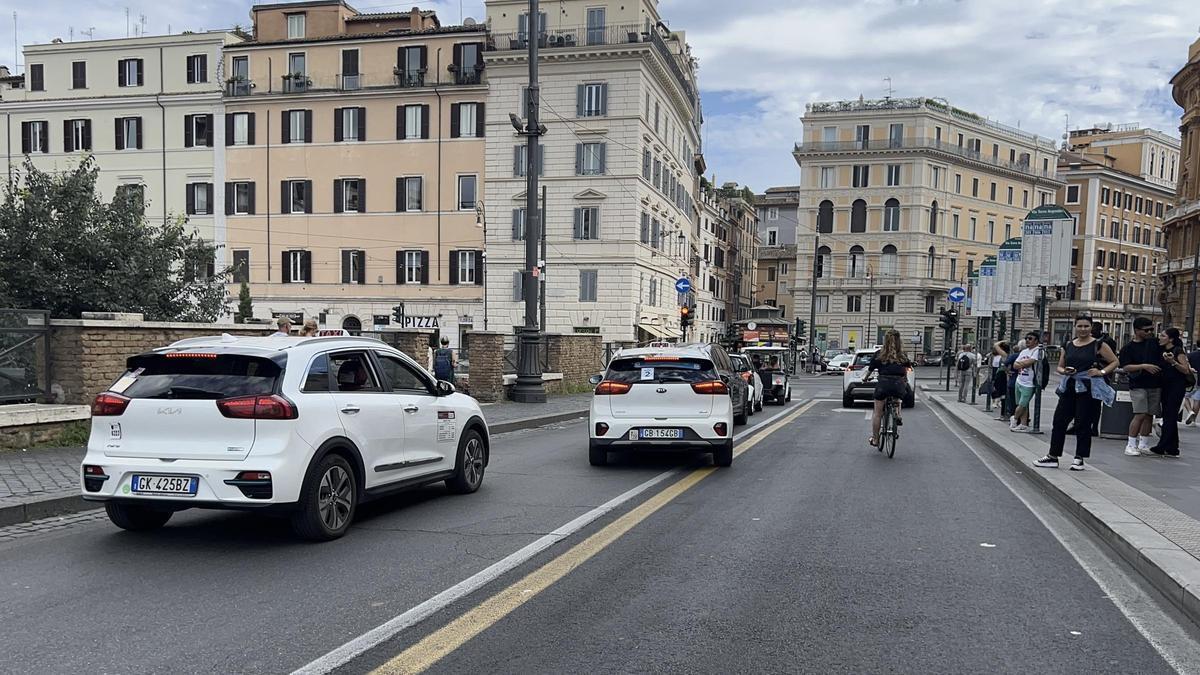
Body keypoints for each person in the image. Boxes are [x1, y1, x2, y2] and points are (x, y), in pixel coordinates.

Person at [1035, 315, 1119, 471]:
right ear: (1075, 327)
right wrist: (1064, 371)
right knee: (1059, 421)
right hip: (1070, 385)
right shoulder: (1068, 345)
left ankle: (1079, 458)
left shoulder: (1099, 344)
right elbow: (1060, 367)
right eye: (1080, 326)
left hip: (1089, 387)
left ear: (1091, 327)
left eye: (1086, 326)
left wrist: (1101, 371)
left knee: (1083, 423)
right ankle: (1053, 455)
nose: (1083, 329)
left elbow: (1115, 361)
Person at [1118, 317, 1164, 456]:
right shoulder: (1128, 348)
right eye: (1146, 330)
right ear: (1137, 331)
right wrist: (1144, 366)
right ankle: (1130, 444)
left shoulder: (1155, 343)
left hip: (1155, 384)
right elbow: (1125, 367)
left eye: (1152, 329)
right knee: (1140, 413)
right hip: (1138, 384)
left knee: (1150, 414)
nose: (1150, 332)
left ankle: (1143, 444)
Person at [863, 330, 912, 448]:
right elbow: (906, 368)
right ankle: (897, 413)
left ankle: (875, 439)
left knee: (878, 413)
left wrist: (865, 379)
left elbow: (870, 370)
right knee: (898, 395)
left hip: (883, 384)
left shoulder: (880, 354)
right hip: (898, 383)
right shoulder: (902, 355)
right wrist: (904, 378)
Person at [1150, 328, 1191, 457]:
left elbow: (1186, 370)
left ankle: (1163, 445)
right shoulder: (1161, 350)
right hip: (1165, 386)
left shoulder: (1177, 351)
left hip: (1176, 386)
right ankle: (1173, 447)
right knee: (1168, 415)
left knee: (1170, 415)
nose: (1159, 337)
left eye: (1163, 336)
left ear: (1171, 339)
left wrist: (1173, 362)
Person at [1010, 332, 1043, 432]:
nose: (1027, 340)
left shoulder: (1038, 351)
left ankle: (1014, 418)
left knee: (1022, 404)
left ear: (1036, 340)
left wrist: (1021, 364)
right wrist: (1022, 364)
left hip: (1030, 382)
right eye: (1026, 338)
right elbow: (1015, 365)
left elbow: (1030, 362)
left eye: (1030, 338)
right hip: (1020, 380)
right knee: (1023, 404)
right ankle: (1023, 424)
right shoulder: (1024, 351)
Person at [990, 342, 1011, 418]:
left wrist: (1003, 341)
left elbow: (995, 345)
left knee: (1002, 393)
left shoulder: (1004, 355)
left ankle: (1003, 413)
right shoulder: (1007, 355)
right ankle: (1003, 412)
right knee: (1003, 394)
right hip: (1003, 375)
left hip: (1002, 375)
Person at [1186, 341, 1200, 425]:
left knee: (1184, 396)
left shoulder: (1191, 355)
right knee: (1197, 400)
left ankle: (1190, 411)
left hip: (1191, 379)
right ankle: (1193, 421)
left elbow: (1187, 365)